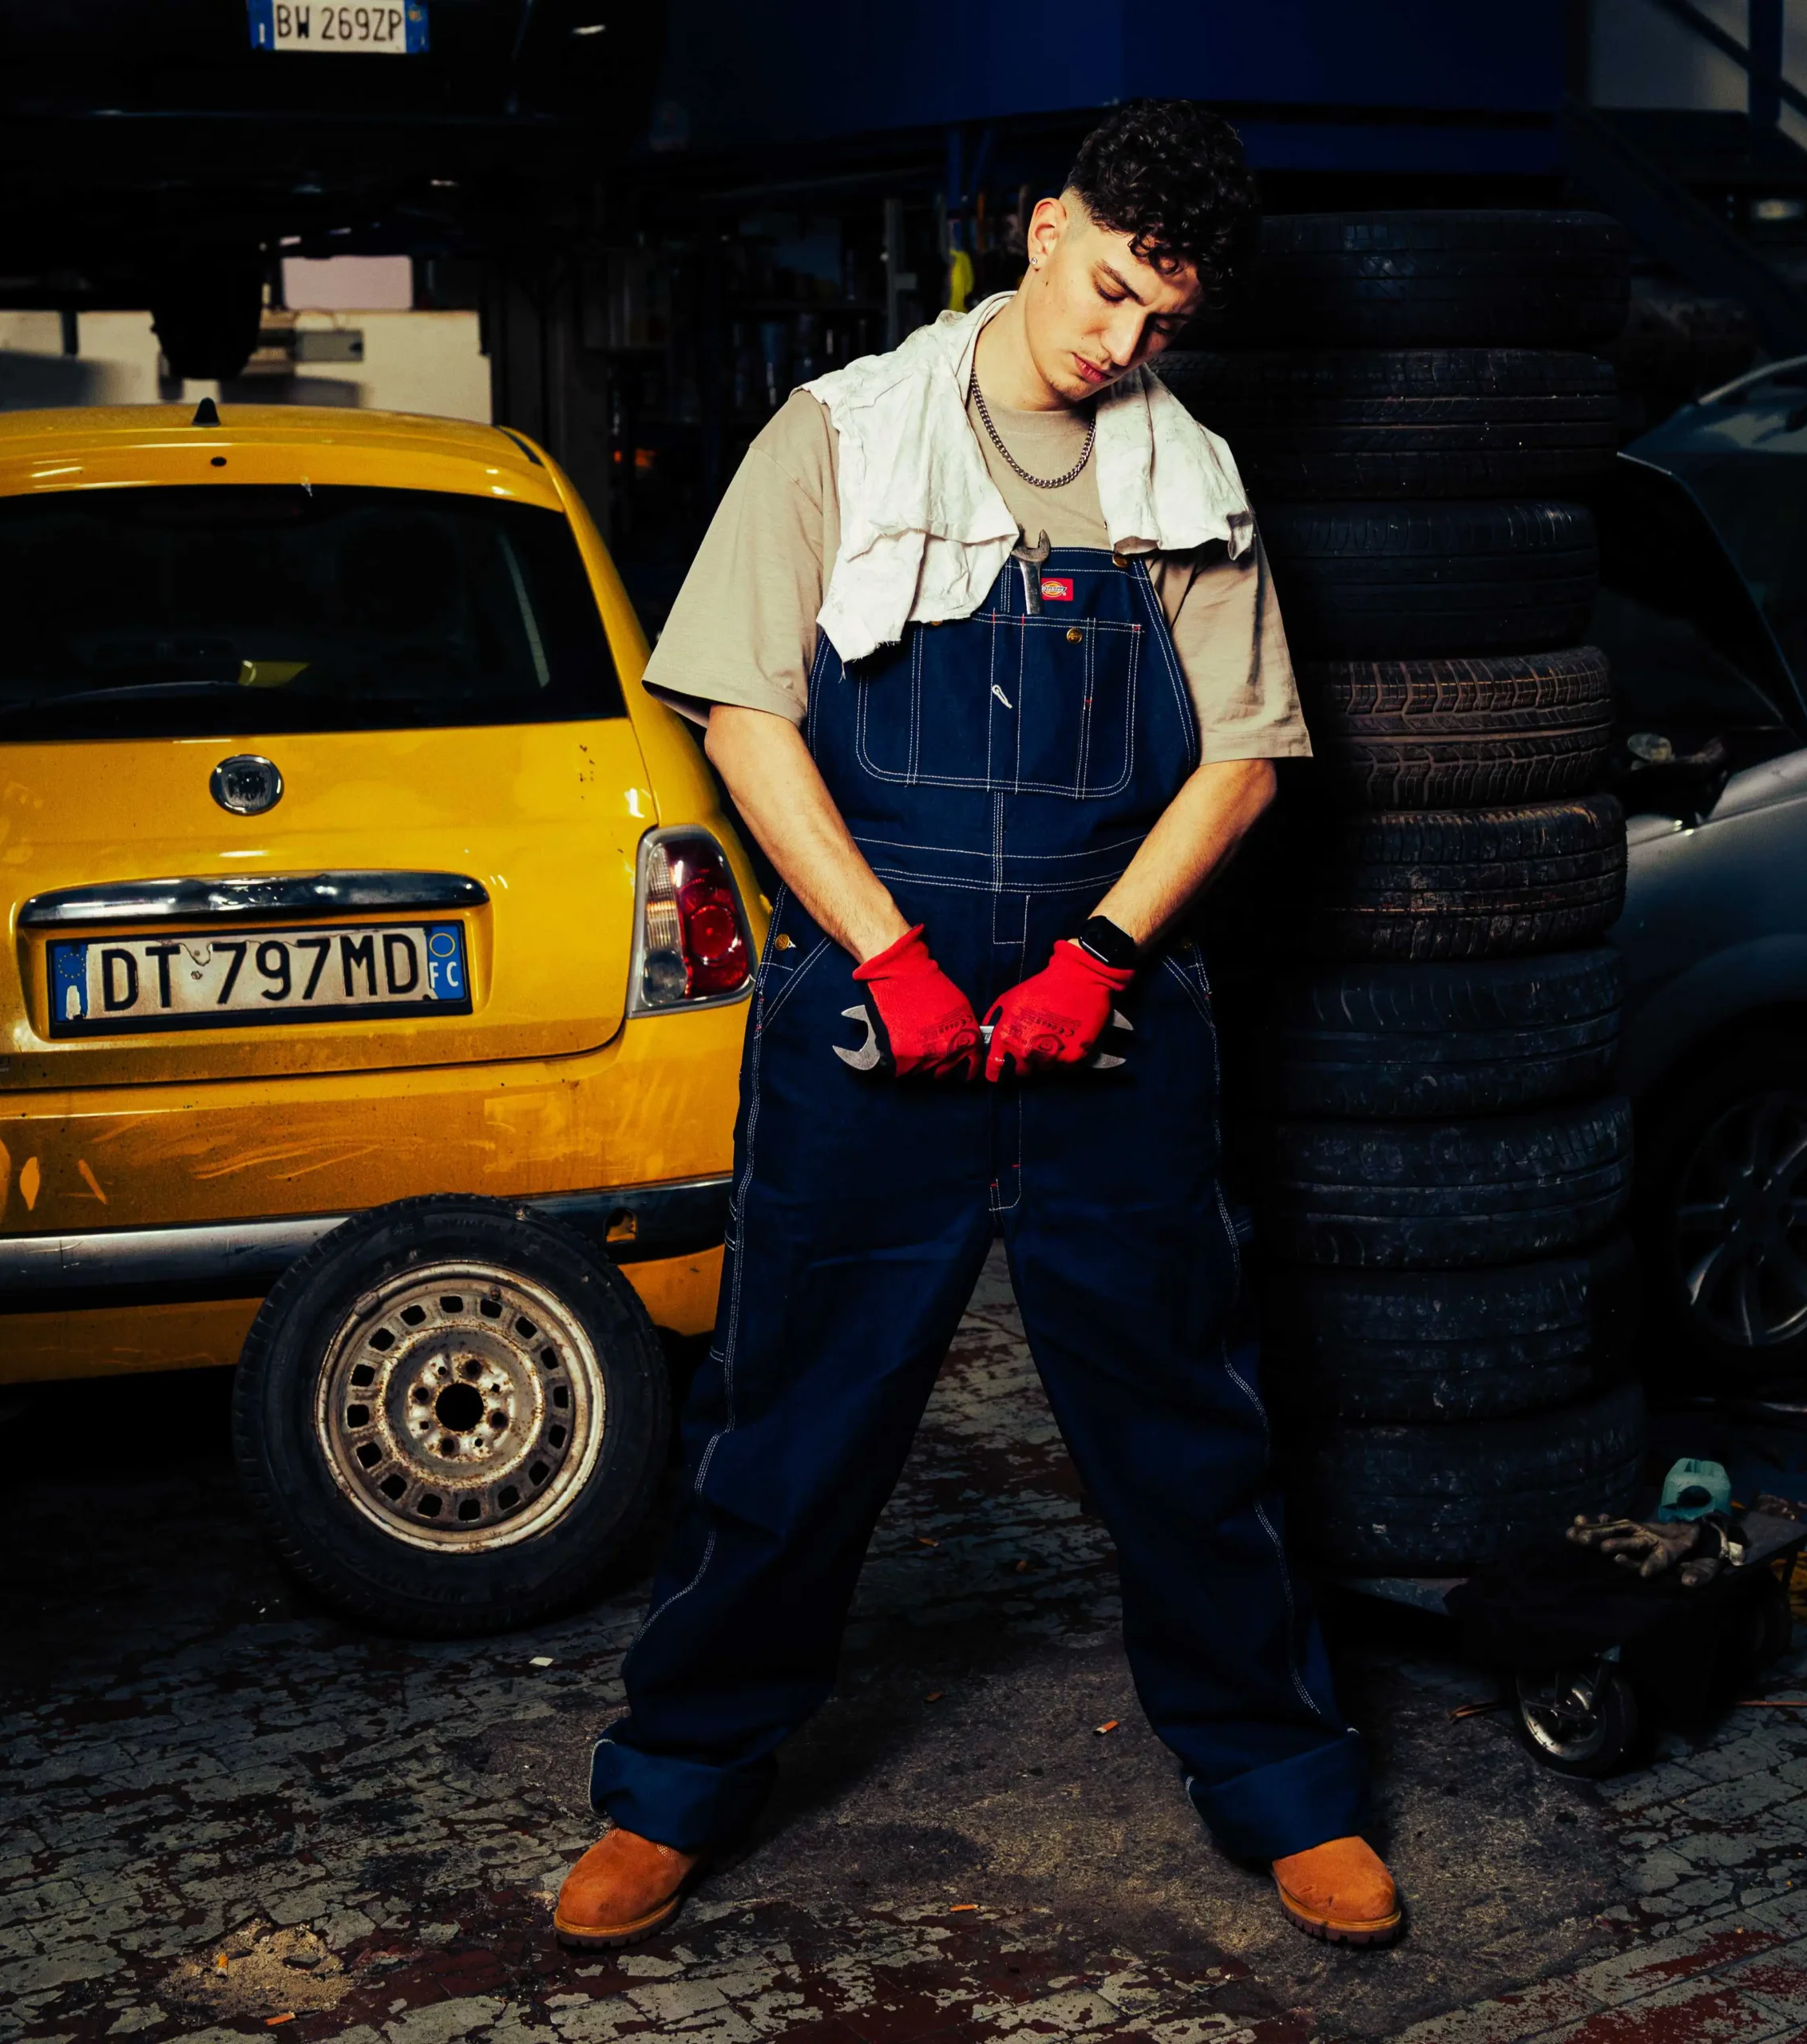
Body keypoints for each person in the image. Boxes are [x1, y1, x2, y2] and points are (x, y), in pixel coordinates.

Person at [553, 99, 1401, 1953]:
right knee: (789, 1422)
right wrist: (885, 953)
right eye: (1106, 288)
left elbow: (1243, 759)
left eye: (1160, 317)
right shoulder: (838, 435)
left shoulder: (1186, 479)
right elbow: (742, 715)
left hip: (1106, 1033)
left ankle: (1284, 1784)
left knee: (1185, 1428)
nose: (1120, 340)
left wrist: (1097, 955)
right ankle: (675, 1783)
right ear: (1040, 229)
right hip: (872, 1024)